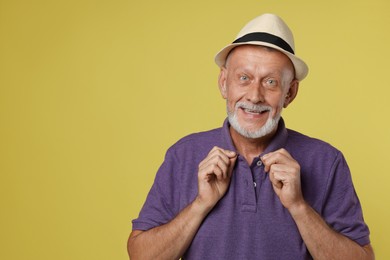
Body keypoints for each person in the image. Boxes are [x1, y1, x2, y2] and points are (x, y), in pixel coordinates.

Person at [127, 13, 374, 259]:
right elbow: (141, 256)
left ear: (290, 93)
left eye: (270, 82)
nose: (254, 96)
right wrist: (200, 204)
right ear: (224, 83)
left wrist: (298, 207)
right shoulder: (183, 155)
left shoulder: (327, 161)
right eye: (244, 78)